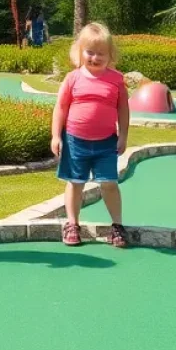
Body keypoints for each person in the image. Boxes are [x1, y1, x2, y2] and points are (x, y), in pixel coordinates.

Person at [51, 22, 129, 248]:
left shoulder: (116, 79)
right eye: (90, 52)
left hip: (106, 142)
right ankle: (72, 224)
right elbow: (61, 107)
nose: (95, 57)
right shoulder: (73, 78)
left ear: (110, 55)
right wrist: (56, 135)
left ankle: (117, 226)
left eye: (101, 54)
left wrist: (123, 135)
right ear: (80, 52)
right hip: (75, 141)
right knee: (75, 183)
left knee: (109, 184)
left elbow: (123, 108)